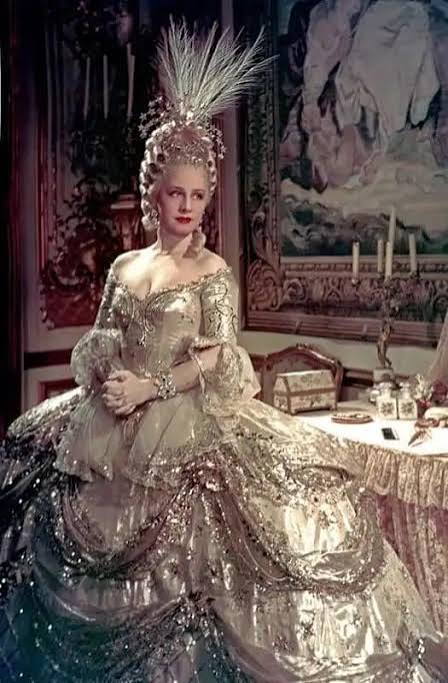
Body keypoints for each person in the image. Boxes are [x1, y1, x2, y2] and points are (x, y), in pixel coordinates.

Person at [0, 19, 447, 683]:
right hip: (108, 426)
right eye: (175, 194)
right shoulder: (124, 267)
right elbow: (101, 337)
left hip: (183, 416)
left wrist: (150, 387)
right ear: (155, 194)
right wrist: (109, 374)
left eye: (198, 195)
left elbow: (218, 355)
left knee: (219, 553)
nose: (186, 207)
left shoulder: (210, 271)